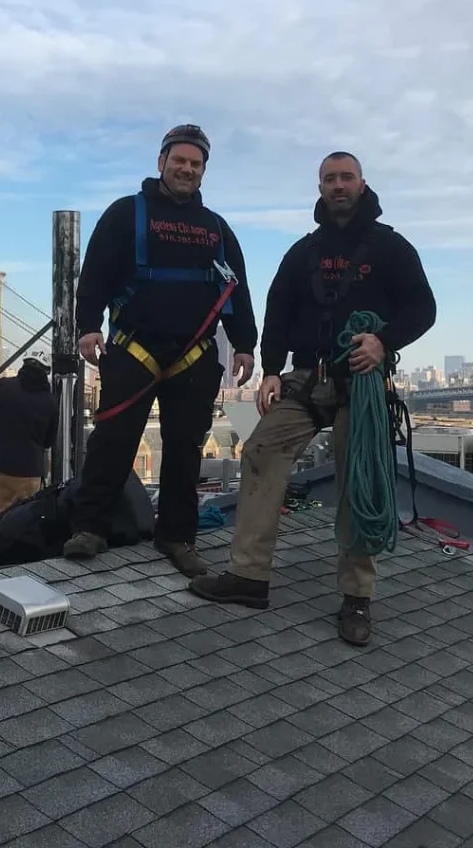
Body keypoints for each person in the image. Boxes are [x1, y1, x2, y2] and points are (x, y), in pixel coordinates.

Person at [190, 151, 436, 645]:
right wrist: (273, 371)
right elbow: (278, 310)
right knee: (261, 450)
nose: (338, 185)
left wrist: (383, 341)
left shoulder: (391, 249)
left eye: (346, 177)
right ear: (320, 187)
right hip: (306, 376)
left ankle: (356, 597)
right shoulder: (303, 252)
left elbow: (423, 307)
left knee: (357, 472)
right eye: (330, 179)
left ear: (362, 184)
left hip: (360, 381)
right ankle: (248, 576)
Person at [63, 124, 258, 577]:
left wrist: (245, 344)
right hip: (134, 349)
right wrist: (88, 326)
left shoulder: (216, 229)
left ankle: (177, 536)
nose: (187, 169)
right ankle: (90, 528)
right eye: (179, 160)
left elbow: (235, 288)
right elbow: (94, 275)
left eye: (196, 164)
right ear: (161, 162)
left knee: (186, 449)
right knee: (112, 442)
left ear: (204, 171)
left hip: (193, 356)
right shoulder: (125, 215)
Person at [0, 350, 58, 527]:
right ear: (46, 372)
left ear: (24, 365)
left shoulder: (4, 386)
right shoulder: (50, 401)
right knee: (25, 525)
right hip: (30, 471)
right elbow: (48, 441)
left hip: (0, 465)